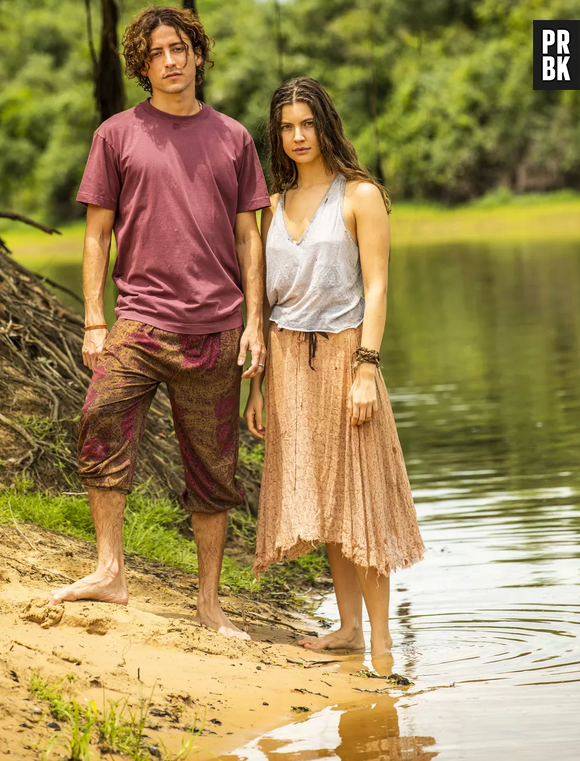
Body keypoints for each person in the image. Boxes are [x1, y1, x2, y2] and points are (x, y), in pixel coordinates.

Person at [48, 6, 270, 641]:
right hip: (138, 321)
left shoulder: (233, 137)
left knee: (214, 467)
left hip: (218, 326)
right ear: (141, 67)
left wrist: (255, 321)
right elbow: (96, 236)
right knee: (99, 419)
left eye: (179, 48)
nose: (170, 61)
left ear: (198, 54)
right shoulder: (116, 134)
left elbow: (249, 237)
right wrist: (94, 320)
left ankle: (208, 605)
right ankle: (110, 569)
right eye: (155, 53)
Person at [244, 77, 425, 656]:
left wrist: (368, 367)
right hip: (289, 366)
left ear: (326, 125)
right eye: (287, 126)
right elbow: (267, 303)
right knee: (323, 502)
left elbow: (376, 289)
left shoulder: (360, 195)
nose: (298, 136)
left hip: (348, 356)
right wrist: (258, 391)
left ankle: (382, 641)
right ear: (277, 133)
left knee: (359, 501)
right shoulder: (270, 205)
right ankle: (348, 630)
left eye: (307, 124)